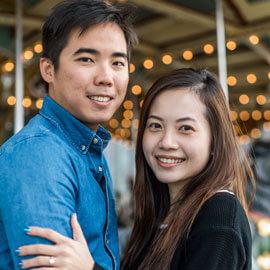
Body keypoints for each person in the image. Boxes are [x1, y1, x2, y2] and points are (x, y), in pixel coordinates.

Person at [16, 68, 255, 269]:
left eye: (185, 128)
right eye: (155, 125)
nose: (167, 142)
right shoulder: (162, 214)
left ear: (215, 141)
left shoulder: (219, 215)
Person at [0, 0, 137, 269]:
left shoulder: (86, 146)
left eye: (118, 62)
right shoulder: (39, 155)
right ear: (48, 70)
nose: (106, 77)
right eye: (87, 59)